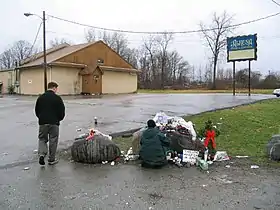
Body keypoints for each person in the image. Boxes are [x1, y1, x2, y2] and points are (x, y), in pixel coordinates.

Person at [35, 82, 65, 166]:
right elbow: (61, 111)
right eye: (56, 89)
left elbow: (37, 110)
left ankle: (42, 154)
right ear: (54, 88)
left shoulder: (40, 98)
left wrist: (41, 118)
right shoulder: (57, 98)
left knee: (42, 139)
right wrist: (59, 119)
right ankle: (51, 159)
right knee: (53, 140)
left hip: (43, 122)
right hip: (54, 123)